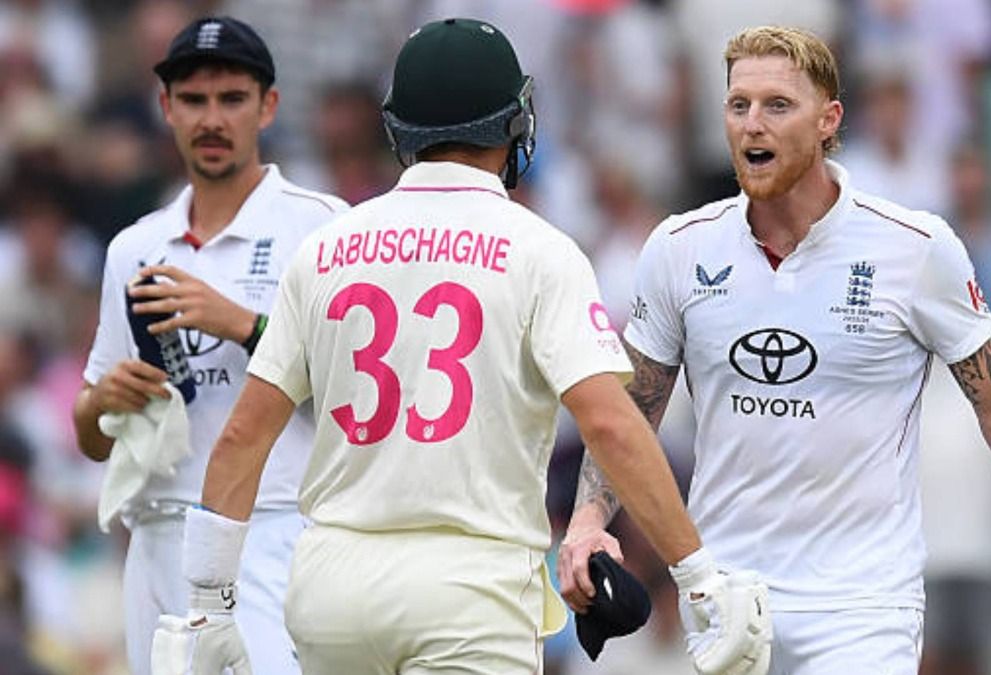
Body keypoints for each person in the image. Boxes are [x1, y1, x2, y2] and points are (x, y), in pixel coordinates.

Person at [150, 18, 770, 675]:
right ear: (514, 126)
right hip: (469, 587)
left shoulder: (325, 249)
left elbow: (243, 434)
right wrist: (697, 574)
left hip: (331, 588)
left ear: (397, 131)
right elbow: (613, 424)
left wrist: (208, 605)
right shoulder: (542, 251)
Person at [558, 25, 991, 675]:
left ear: (829, 120)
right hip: (726, 594)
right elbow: (630, 413)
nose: (753, 124)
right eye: (738, 104)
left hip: (864, 606)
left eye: (778, 105)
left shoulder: (915, 249)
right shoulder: (677, 249)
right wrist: (586, 519)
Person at [71, 16, 350, 675]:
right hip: (159, 532)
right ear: (166, 107)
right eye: (194, 100)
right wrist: (101, 400)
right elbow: (93, 438)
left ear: (268, 105)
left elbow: (356, 393)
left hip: (274, 526)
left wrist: (242, 323)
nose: (212, 119)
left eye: (232, 99)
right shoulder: (135, 248)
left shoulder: (318, 226)